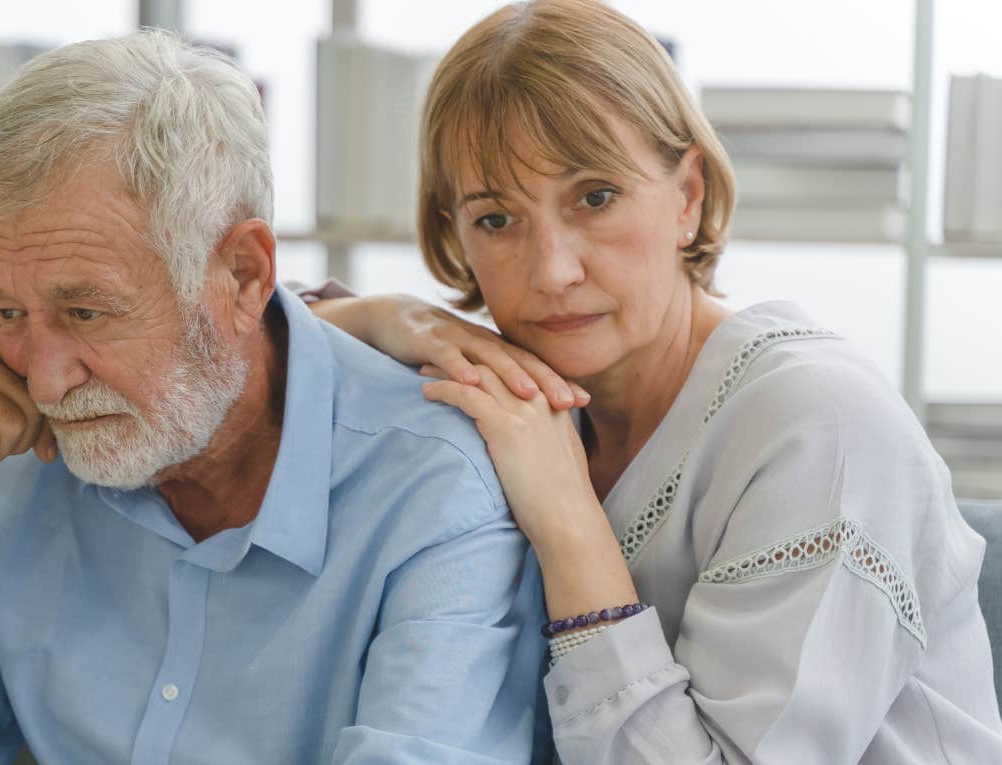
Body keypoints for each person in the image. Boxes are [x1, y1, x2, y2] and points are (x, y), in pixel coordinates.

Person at [0, 30, 545, 765]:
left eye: (87, 312)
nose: (46, 381)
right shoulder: (4, 461)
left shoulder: (434, 488)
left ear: (244, 276)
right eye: (9, 312)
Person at [310, 1, 1002, 761]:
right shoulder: (521, 396)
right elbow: (231, 341)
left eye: (595, 197)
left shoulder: (822, 427)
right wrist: (392, 317)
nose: (552, 271)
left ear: (688, 197)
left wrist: (569, 518)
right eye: (496, 220)